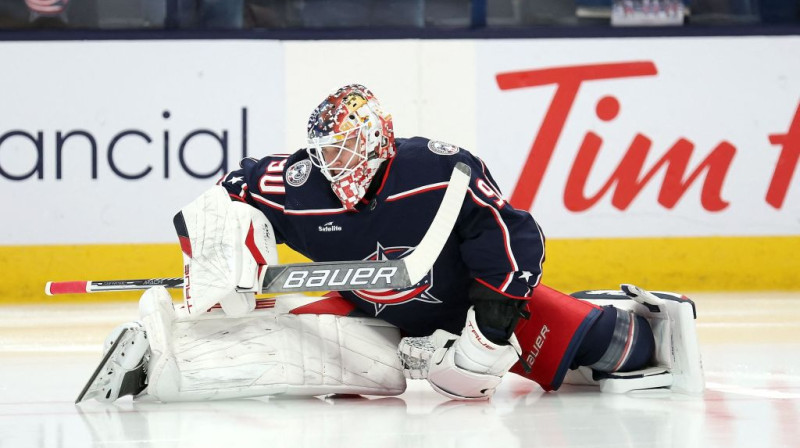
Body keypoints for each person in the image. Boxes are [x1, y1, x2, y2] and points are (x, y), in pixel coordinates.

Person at [78, 84, 703, 403]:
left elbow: (510, 229)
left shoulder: (437, 169)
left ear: (380, 138)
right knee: (293, 350)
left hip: (464, 309)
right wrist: (228, 251)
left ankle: (618, 323)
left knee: (625, 349)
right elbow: (227, 191)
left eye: (347, 149)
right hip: (366, 311)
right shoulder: (299, 182)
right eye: (326, 153)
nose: (335, 165)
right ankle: (156, 363)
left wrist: (490, 326)